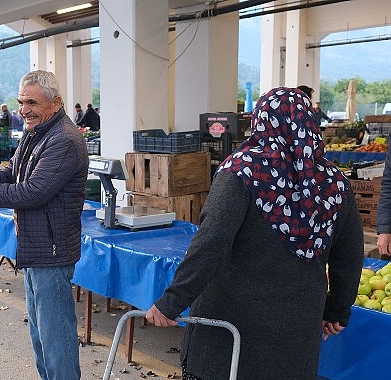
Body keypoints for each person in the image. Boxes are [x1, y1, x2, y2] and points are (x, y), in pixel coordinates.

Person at [145, 87, 363, 380]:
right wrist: (337, 309)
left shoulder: (242, 171)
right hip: (297, 333)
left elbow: (211, 243)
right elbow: (348, 258)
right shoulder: (335, 183)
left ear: (261, 120)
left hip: (232, 332)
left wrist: (171, 302)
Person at [0, 70, 89, 380]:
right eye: (21, 102)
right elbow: (12, 173)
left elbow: (33, 191)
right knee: (42, 339)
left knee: (58, 343)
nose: (24, 109)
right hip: (35, 249)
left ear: (56, 103)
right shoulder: (35, 133)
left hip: (51, 255)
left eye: (32, 102)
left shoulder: (64, 140)